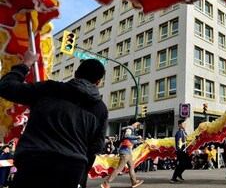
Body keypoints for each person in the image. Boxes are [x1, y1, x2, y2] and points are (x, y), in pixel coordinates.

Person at [0, 50, 108, 188]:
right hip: (72, 169)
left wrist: (25, 64)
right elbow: (97, 145)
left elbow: (6, 87)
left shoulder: (50, 89)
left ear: (75, 73)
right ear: (98, 82)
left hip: (35, 162)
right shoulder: (100, 109)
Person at [101, 120, 144, 188]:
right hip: (125, 152)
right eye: (137, 124)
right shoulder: (129, 129)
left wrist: (140, 142)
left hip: (128, 152)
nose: (138, 126)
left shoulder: (131, 130)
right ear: (134, 123)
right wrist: (137, 137)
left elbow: (132, 142)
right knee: (119, 168)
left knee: (131, 166)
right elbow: (127, 136)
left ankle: (134, 182)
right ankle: (106, 182)